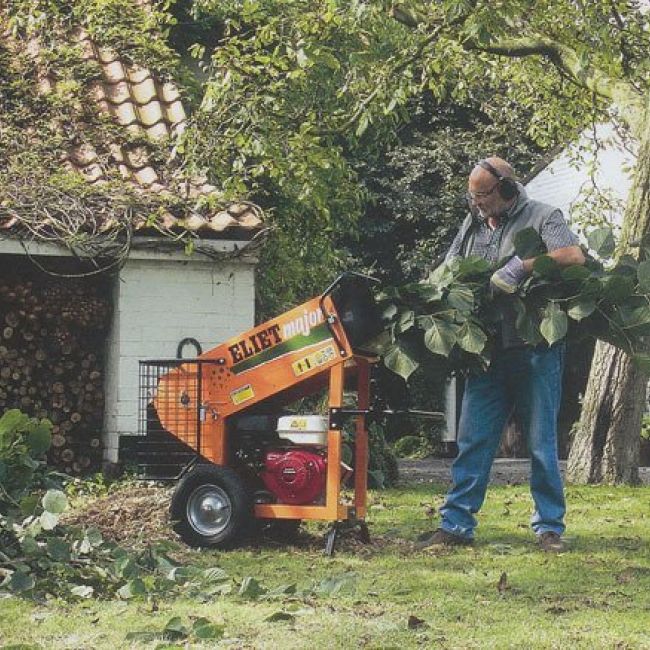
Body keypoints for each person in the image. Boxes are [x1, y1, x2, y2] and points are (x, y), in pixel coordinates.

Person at [418, 157, 585, 553]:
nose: (477, 204)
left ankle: (549, 528)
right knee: (473, 439)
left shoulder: (544, 216)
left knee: (541, 443)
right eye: (471, 196)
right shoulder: (472, 223)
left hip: (535, 351)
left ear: (507, 189)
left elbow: (574, 256)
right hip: (488, 353)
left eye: (483, 195)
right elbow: (450, 267)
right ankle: (456, 524)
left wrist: (524, 266)